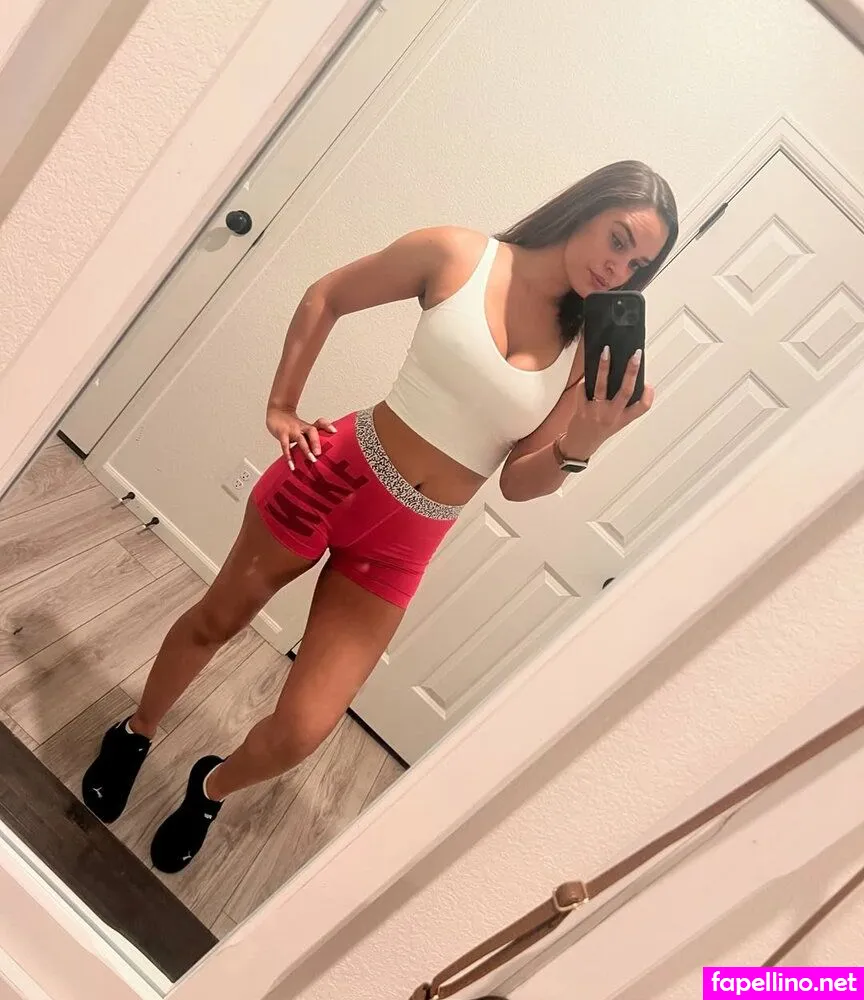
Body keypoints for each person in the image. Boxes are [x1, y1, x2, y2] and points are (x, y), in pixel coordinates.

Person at [82, 160, 678, 873]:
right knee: (216, 620)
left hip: (404, 542)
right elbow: (327, 295)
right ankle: (136, 730)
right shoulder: (458, 254)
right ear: (586, 209)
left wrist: (584, 443)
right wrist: (281, 406)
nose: (618, 268)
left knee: (305, 727)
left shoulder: (582, 357)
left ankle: (208, 788)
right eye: (618, 239)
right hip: (332, 477)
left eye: (637, 265)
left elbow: (518, 485)